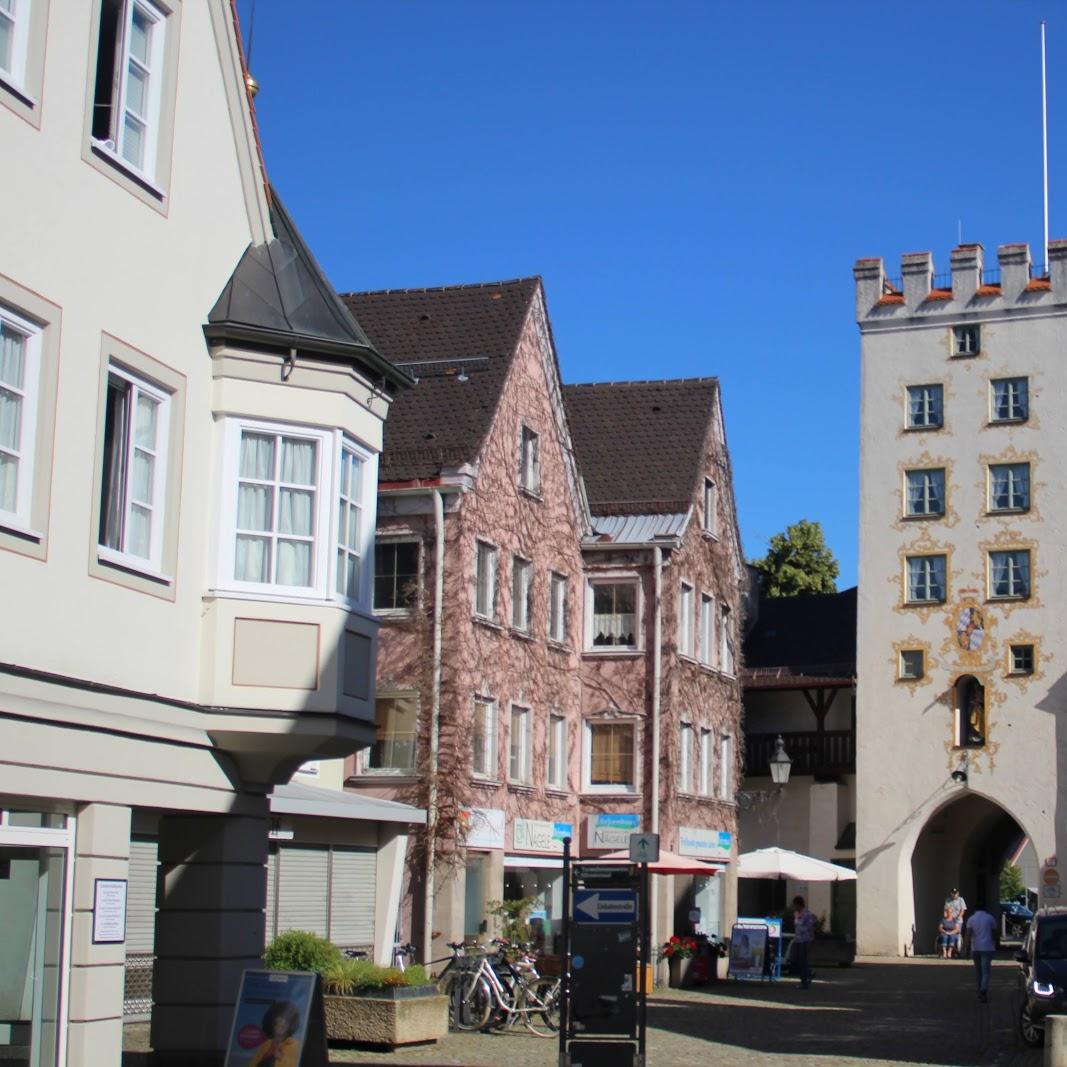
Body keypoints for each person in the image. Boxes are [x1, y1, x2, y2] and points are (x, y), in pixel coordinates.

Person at [249, 1000, 302, 1067]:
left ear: (290, 1025)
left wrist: (281, 1057)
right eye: (277, 1023)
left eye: (284, 1023)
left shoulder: (295, 1046)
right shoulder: (265, 1046)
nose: (281, 1026)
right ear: (271, 1024)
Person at [964, 901, 997, 1002]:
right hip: (987, 948)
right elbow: (995, 932)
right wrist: (995, 943)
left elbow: (968, 934)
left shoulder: (971, 919)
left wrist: (966, 947)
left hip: (976, 948)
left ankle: (979, 991)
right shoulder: (990, 918)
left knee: (978, 972)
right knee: (986, 971)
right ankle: (983, 990)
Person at [792, 895, 816, 989]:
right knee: (797, 960)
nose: (794, 907)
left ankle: (804, 981)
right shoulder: (796, 914)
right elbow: (796, 926)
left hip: (805, 940)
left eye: (795, 905)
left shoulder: (806, 914)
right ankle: (808, 974)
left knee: (802, 960)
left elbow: (809, 927)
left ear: (799, 904)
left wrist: (799, 923)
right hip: (798, 940)